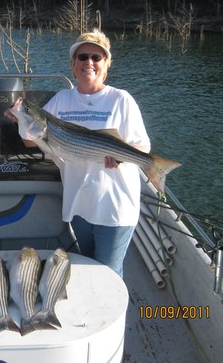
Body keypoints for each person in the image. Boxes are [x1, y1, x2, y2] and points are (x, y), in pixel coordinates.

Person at [8, 29, 151, 277]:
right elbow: (32, 141)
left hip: (114, 207)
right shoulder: (62, 100)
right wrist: (20, 117)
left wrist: (120, 156)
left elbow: (142, 147)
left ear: (106, 65)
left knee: (108, 275)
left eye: (97, 58)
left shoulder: (121, 100)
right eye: (83, 57)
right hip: (79, 205)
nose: (89, 63)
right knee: (88, 269)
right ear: (73, 65)